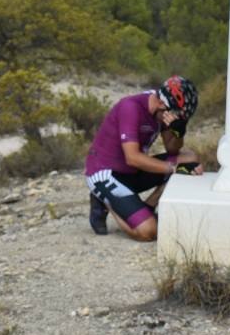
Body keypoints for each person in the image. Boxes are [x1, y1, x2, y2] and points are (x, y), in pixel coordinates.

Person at [85, 75, 203, 241]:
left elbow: (172, 148)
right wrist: (174, 169)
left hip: (132, 172)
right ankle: (105, 202)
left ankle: (148, 206)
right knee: (148, 232)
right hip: (105, 173)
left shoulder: (162, 111)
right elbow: (133, 158)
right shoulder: (131, 108)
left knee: (190, 158)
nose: (175, 119)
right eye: (175, 115)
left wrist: (178, 131)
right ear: (162, 104)